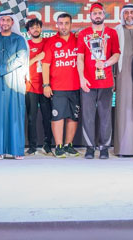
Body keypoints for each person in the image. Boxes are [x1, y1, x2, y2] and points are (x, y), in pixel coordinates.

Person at [77, 2, 121, 159]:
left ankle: (104, 147)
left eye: (100, 13)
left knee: (105, 115)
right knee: (88, 116)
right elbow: (80, 58)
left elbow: (116, 54)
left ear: (104, 15)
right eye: (94, 13)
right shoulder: (83, 34)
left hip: (106, 81)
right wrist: (82, 78)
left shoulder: (111, 33)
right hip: (88, 82)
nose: (97, 15)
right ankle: (90, 147)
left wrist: (106, 63)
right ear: (90, 16)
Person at [0, 11, 28, 159]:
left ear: (12, 22)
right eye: (2, 20)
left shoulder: (19, 39)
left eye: (8, 20)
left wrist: (1, 69)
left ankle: (16, 150)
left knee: (14, 115)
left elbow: (20, 59)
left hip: (14, 81)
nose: (5, 23)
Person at [42, 13, 81, 158]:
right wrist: (46, 84)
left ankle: (68, 145)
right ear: (57, 25)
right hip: (57, 87)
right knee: (57, 117)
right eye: (61, 23)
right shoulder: (51, 42)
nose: (63, 26)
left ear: (71, 24)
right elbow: (45, 65)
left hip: (75, 86)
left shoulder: (78, 40)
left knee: (73, 117)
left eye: (66, 23)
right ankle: (58, 146)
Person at [113, 3, 133, 156]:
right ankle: (123, 148)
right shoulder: (116, 32)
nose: (129, 15)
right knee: (123, 111)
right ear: (122, 15)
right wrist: (113, 78)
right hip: (122, 77)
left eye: (132, 12)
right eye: (126, 13)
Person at [24, 17, 53, 155]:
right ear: (28, 31)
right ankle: (32, 146)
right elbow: (22, 64)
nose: (35, 29)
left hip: (46, 85)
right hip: (31, 86)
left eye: (37, 27)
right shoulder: (25, 44)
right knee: (31, 118)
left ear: (41, 28)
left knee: (48, 117)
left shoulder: (48, 42)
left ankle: (48, 144)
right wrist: (37, 57)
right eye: (32, 27)